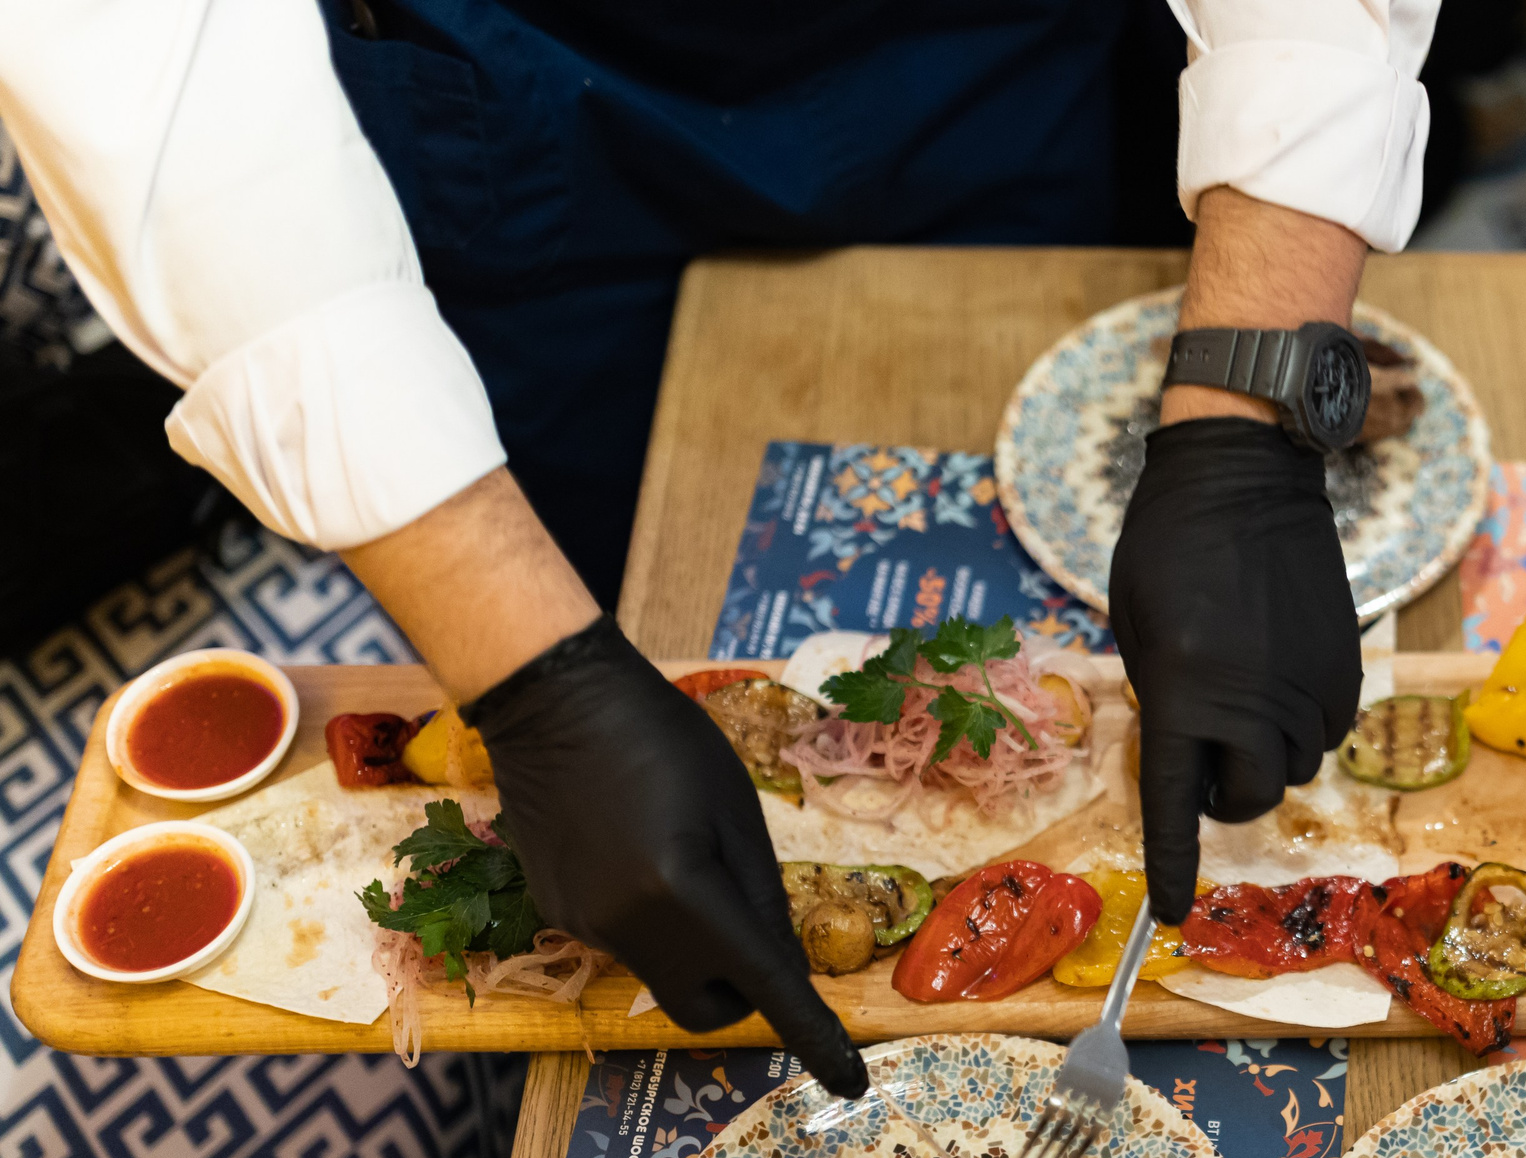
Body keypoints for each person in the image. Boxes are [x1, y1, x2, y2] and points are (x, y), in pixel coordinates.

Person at [1, 0, 1440, 1101]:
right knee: (618, 655)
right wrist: (536, 678)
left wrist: (1250, 412)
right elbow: (148, 70)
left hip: (989, 69)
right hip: (530, 110)